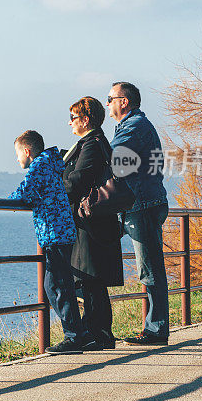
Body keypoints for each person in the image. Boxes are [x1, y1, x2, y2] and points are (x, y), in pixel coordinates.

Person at [9, 130, 92, 353]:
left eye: (17, 154)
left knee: (55, 284)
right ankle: (80, 333)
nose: (17, 159)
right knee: (60, 282)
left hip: (54, 233)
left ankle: (74, 336)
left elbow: (25, 191)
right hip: (61, 231)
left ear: (27, 151)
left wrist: (9, 201)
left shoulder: (40, 166)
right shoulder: (51, 164)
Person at [107, 82, 170, 345]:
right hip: (138, 204)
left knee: (150, 270)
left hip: (142, 205)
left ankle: (156, 330)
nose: (107, 103)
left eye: (110, 98)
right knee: (148, 268)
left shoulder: (135, 127)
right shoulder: (130, 126)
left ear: (124, 102)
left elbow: (111, 157)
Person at [61, 96, 123, 350]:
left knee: (90, 278)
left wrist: (53, 192)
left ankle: (99, 334)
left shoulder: (92, 144)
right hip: (97, 221)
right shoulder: (95, 143)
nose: (70, 123)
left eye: (74, 118)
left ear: (86, 120)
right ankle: (97, 332)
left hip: (92, 223)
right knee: (91, 279)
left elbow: (78, 181)